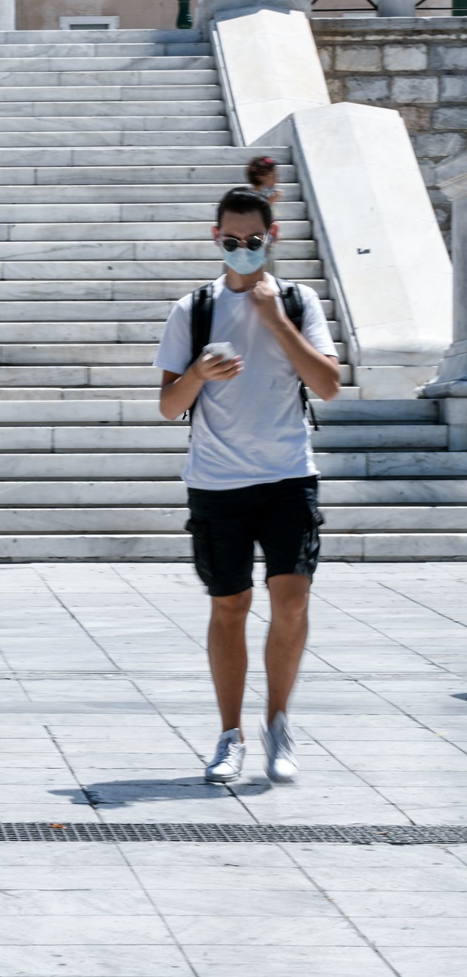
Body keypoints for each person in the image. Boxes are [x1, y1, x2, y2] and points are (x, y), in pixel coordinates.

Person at [154, 187, 340, 786]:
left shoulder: (296, 300)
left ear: (272, 237)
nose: (241, 250)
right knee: (229, 605)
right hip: (217, 481)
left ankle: (278, 724)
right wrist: (198, 374)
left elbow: (329, 384)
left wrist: (275, 321)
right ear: (216, 240)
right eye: (231, 241)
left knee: (291, 601)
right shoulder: (194, 310)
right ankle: (229, 735)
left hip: (288, 475)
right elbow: (167, 405)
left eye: (253, 241)